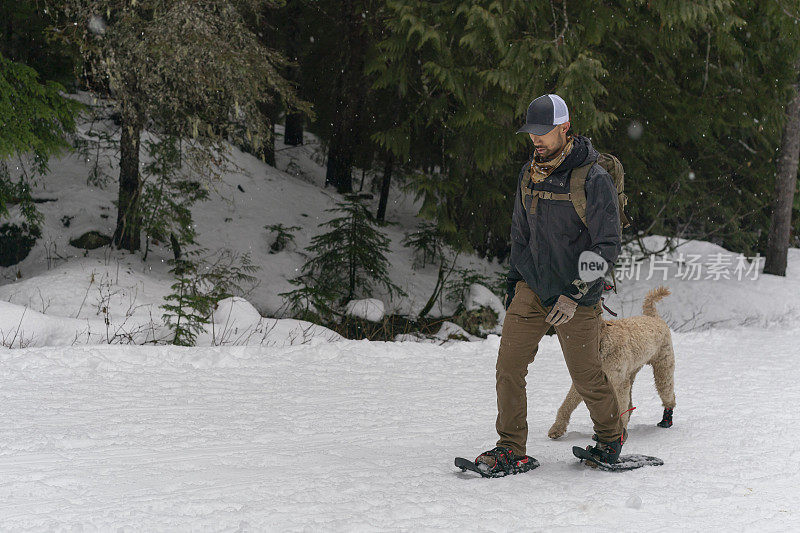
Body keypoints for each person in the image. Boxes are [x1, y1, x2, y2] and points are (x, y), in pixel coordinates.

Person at [474, 94, 626, 476]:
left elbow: (606, 244)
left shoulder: (593, 178)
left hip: (576, 294)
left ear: (565, 128)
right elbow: (520, 233)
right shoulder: (529, 173)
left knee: (585, 374)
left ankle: (610, 438)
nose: (536, 140)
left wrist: (574, 294)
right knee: (508, 368)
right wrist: (514, 282)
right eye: (531, 133)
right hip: (532, 288)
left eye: (543, 132)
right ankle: (510, 447)